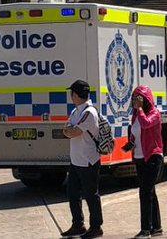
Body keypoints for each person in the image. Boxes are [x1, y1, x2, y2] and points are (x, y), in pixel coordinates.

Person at [60, 80, 103, 239]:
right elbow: (67, 129)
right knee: (72, 193)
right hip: (76, 160)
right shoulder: (75, 112)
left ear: (76, 95)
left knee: (91, 194)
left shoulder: (89, 113)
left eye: (72, 93)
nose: (71, 96)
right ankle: (78, 224)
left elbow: (72, 132)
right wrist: (69, 130)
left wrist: (69, 130)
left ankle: (96, 226)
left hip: (88, 160)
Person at [123, 85, 163, 238]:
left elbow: (146, 123)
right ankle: (157, 227)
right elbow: (135, 133)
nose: (134, 102)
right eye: (133, 99)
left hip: (153, 157)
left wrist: (139, 109)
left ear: (145, 100)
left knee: (145, 193)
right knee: (150, 192)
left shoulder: (154, 114)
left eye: (138, 99)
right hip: (140, 158)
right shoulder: (135, 116)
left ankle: (145, 229)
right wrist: (130, 144)